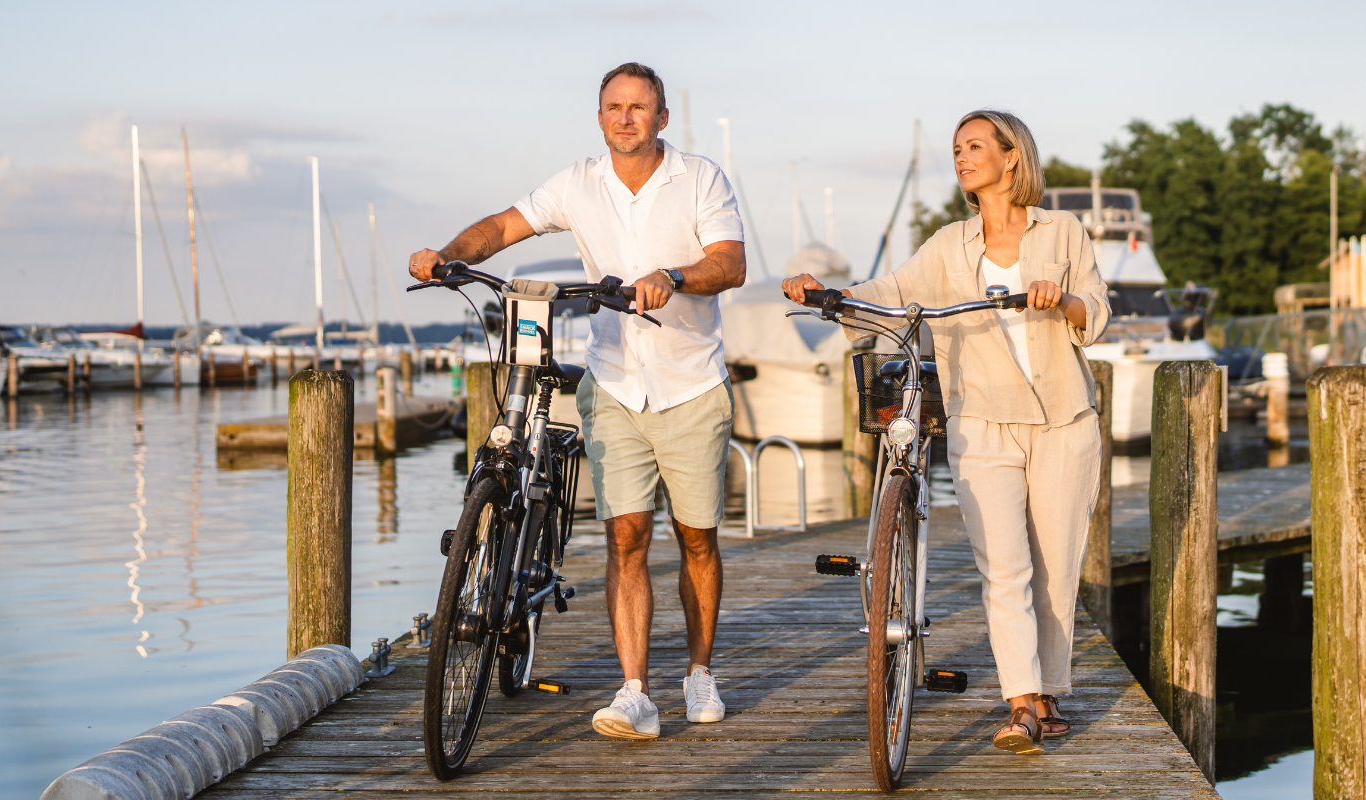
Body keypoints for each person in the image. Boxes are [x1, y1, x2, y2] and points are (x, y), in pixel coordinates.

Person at [409, 62, 746, 741]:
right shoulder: (578, 182)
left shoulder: (700, 177)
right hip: (616, 380)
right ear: (600, 117)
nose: (626, 118)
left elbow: (731, 263)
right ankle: (635, 694)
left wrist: (674, 276)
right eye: (614, 107)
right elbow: (506, 226)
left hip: (690, 384)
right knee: (626, 536)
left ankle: (700, 670)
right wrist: (447, 256)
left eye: (639, 107)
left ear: (662, 117)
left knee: (696, 538)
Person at [782, 109, 1106, 755]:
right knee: (1003, 568)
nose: (962, 157)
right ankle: (1021, 705)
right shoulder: (948, 244)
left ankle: (1047, 691)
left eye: (975, 146)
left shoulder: (1062, 230)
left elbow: (1094, 313)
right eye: (957, 148)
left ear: (1012, 157)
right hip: (983, 420)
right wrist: (829, 295)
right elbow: (891, 291)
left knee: (1055, 568)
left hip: (1064, 421)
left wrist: (1059, 299)